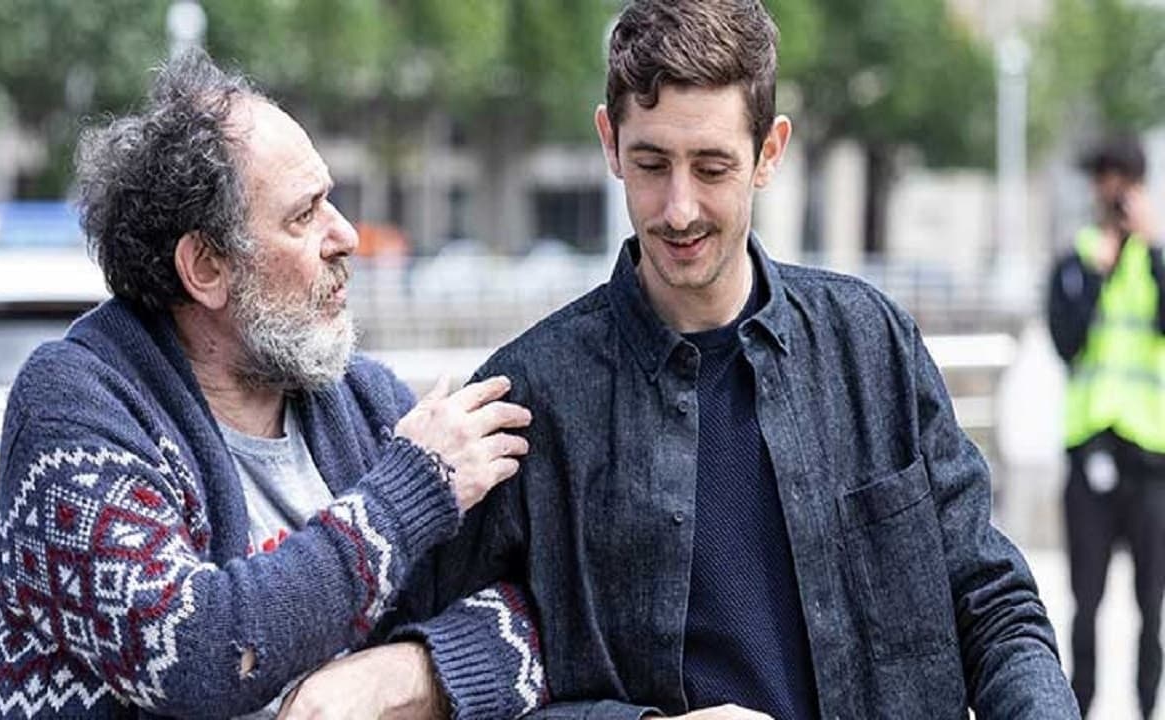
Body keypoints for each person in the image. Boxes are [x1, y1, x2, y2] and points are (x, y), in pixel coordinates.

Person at [281, 1, 1081, 718]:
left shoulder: (872, 344)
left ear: (770, 152)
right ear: (609, 142)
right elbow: (465, 685)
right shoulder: (528, 402)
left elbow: (991, 601)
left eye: (713, 167)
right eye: (652, 164)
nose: (679, 208)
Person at [0, 50, 548, 719]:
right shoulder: (73, 408)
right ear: (206, 267)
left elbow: (548, 617)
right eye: (304, 215)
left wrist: (404, 674)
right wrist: (410, 493)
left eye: (329, 200)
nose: (345, 236)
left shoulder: (368, 405)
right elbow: (195, 654)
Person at [1048, 134, 1165, 718]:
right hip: (1089, 447)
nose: (1109, 193)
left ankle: (1147, 706)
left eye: (1119, 182)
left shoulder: (1158, 260)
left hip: (1151, 457)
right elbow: (1065, 341)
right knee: (1085, 601)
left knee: (1151, 603)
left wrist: (1155, 246)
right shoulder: (1077, 259)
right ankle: (1080, 705)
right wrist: (1098, 273)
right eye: (1101, 181)